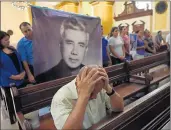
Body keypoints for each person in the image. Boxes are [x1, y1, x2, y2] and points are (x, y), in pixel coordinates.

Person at [51, 65, 124, 129]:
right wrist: (83, 97)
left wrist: (108, 89)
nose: (95, 97)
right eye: (92, 93)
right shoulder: (61, 97)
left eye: (97, 93)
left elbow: (119, 108)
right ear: (79, 83)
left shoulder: (99, 87)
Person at [36, 17, 89, 83]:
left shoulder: (91, 73)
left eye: (81, 45)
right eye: (69, 43)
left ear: (86, 50)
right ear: (61, 45)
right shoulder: (43, 78)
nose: (74, 52)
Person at [0, 31, 26, 124]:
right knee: (13, 103)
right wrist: (13, 76)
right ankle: (16, 120)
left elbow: (19, 61)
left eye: (8, 39)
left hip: (20, 78)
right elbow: (1, 70)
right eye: (6, 40)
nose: (8, 41)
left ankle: (22, 119)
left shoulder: (12, 49)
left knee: (21, 101)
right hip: (8, 82)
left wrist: (23, 72)